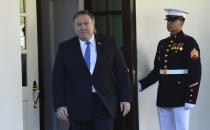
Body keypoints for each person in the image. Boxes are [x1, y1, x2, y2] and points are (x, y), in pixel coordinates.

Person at [52, 10, 131, 130]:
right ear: (74, 27)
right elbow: (58, 79)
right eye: (79, 24)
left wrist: (126, 98)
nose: (83, 27)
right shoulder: (65, 48)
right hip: (77, 106)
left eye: (86, 23)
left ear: (93, 25)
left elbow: (122, 72)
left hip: (104, 104)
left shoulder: (109, 43)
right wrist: (59, 105)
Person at [138, 8, 201, 130]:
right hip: (163, 95)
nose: (169, 23)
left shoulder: (189, 42)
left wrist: (191, 98)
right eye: (168, 20)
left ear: (181, 23)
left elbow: (195, 71)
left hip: (181, 96)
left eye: (172, 20)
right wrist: (140, 85)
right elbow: (157, 72)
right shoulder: (163, 44)